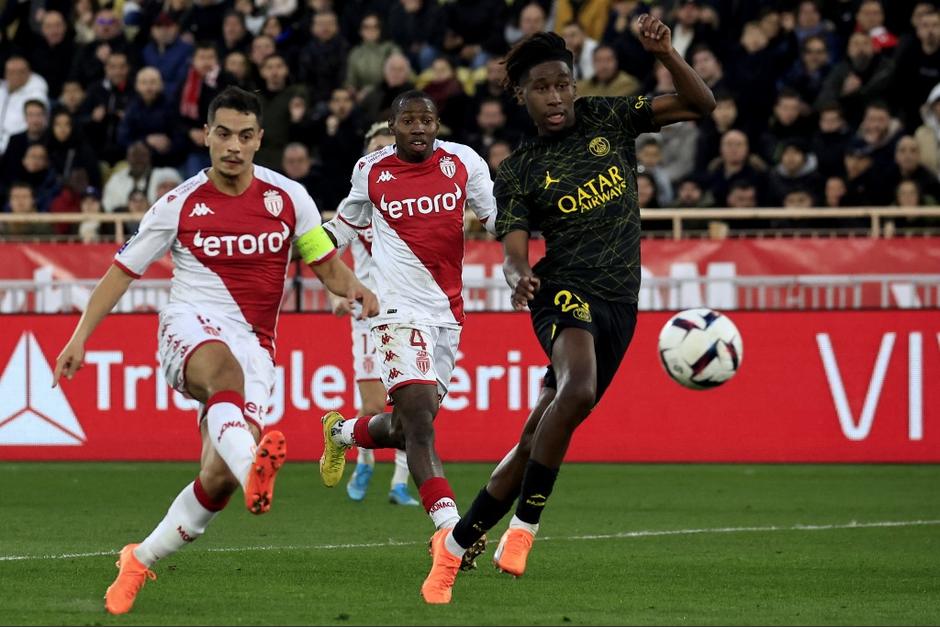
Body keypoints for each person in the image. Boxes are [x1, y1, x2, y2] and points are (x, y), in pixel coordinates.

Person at [52, 86, 377, 615]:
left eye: (245, 136)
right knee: (222, 375)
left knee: (217, 479)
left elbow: (324, 263)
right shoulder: (178, 204)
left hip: (256, 347)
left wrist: (355, 288)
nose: (233, 146)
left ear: (259, 140)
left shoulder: (288, 198)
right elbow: (121, 271)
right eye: (223, 133)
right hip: (191, 325)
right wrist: (80, 336)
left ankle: (139, 558)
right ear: (206, 134)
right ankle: (256, 468)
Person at [430, 21, 716, 601]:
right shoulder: (519, 169)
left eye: (563, 84)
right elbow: (512, 244)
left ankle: (456, 544)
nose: (556, 96)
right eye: (542, 87)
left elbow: (699, 103)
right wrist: (517, 274)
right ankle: (524, 529)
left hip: (621, 304)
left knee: (537, 435)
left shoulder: (610, 118)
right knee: (578, 390)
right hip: (559, 291)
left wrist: (665, 53)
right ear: (522, 95)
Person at [316, 89, 497, 604]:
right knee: (418, 420)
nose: (419, 128)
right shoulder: (371, 170)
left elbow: (498, 218)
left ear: (438, 124)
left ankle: (343, 432)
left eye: (427, 120)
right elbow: (342, 229)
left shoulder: (465, 161)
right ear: (393, 127)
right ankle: (450, 532)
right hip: (394, 311)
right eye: (409, 121)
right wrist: (302, 244)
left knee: (405, 428)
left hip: (448, 316)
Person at [328, 122, 419, 507]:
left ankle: (399, 483)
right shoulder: (358, 204)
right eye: (376, 150)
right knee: (372, 406)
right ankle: (362, 458)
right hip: (367, 314)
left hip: (411, 311)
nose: (384, 157)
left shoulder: (415, 202)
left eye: (389, 149)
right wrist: (336, 290)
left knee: (412, 404)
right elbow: (327, 249)